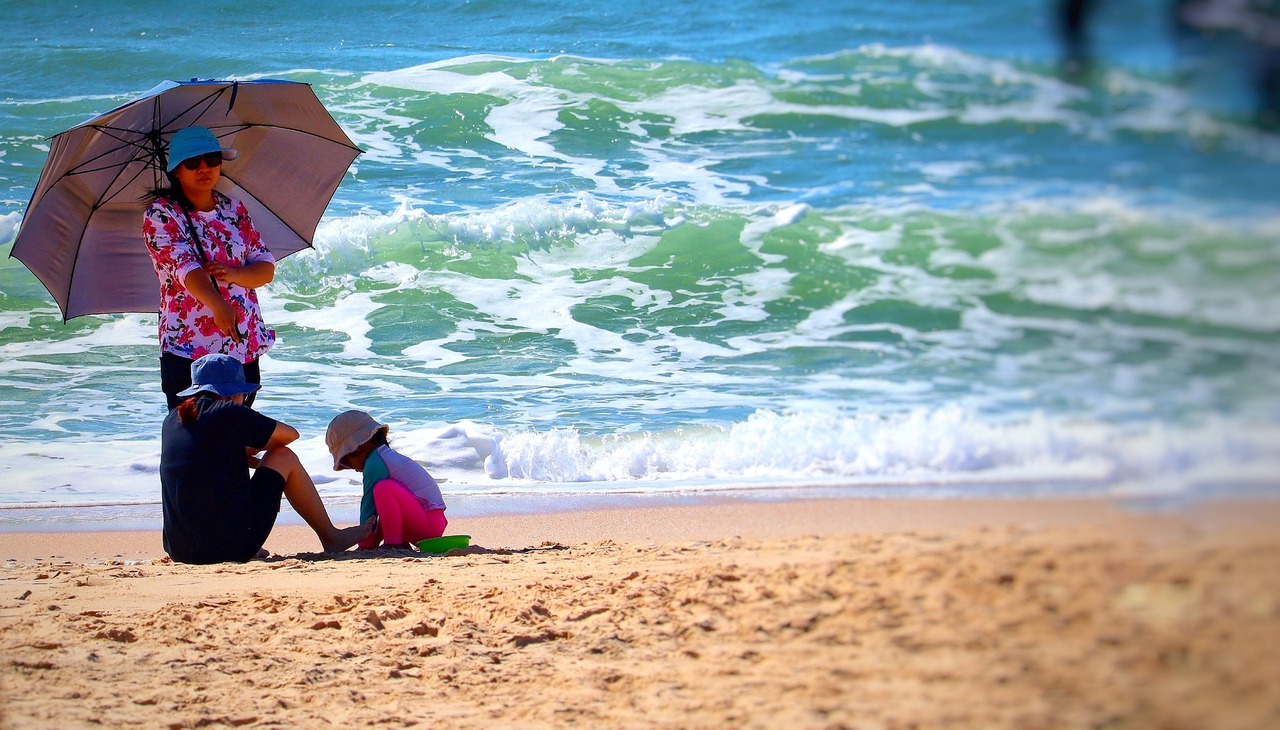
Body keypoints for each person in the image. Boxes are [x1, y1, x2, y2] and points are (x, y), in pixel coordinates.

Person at [161, 354, 371, 564]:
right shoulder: (230, 412)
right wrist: (249, 448)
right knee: (282, 456)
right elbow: (290, 435)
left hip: (179, 549)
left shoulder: (173, 418)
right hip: (227, 549)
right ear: (233, 393)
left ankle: (245, 543)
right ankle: (331, 537)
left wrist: (238, 451)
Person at [143, 126, 276, 410]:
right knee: (195, 438)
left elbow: (265, 266)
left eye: (211, 159)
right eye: (192, 162)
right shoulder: (161, 214)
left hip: (241, 340)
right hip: (189, 347)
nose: (204, 168)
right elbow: (185, 269)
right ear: (176, 170)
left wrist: (234, 274)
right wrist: (218, 305)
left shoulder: (233, 209)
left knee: (237, 437)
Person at [325, 410, 448, 550]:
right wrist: (372, 542)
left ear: (359, 447)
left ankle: (394, 544)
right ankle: (398, 541)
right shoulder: (385, 457)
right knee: (387, 499)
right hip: (431, 521)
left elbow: (368, 507)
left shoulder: (375, 463)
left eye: (346, 461)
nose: (351, 468)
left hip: (426, 524)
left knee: (383, 489)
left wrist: (364, 539)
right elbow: (385, 512)